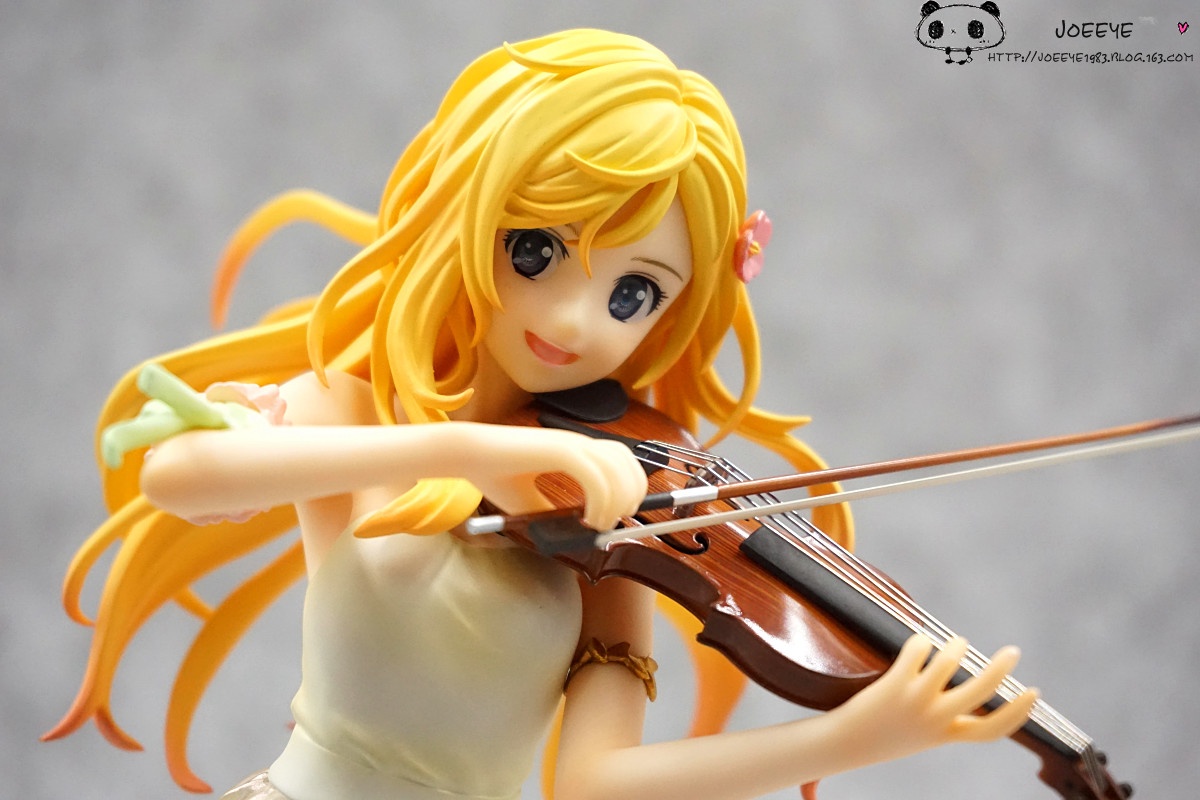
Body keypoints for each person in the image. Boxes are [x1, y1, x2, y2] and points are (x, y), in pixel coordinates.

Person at [45, 29, 1035, 800]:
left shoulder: (612, 516)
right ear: (471, 217)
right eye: (536, 252)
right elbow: (178, 476)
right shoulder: (356, 411)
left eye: (632, 293)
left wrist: (852, 736)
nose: (572, 321)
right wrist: (468, 447)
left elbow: (593, 782)